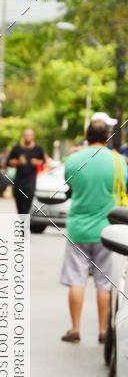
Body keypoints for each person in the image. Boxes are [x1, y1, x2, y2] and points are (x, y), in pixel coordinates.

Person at [60, 116, 127, 344]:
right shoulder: (118, 161)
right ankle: (102, 331)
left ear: (87, 137)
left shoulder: (73, 159)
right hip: (108, 230)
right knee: (104, 282)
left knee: (76, 280)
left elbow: (70, 185)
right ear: (108, 137)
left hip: (78, 228)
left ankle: (75, 329)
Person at [6, 128, 46, 214]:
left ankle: (24, 224)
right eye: (26, 135)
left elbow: (44, 162)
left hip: (31, 181)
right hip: (19, 180)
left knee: (27, 203)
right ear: (23, 136)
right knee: (19, 204)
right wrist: (18, 162)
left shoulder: (38, 148)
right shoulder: (17, 148)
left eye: (30, 135)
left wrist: (37, 162)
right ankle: (22, 222)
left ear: (33, 136)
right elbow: (8, 162)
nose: (28, 137)